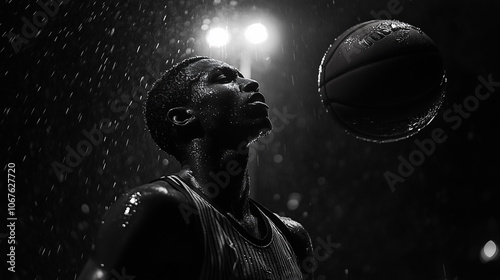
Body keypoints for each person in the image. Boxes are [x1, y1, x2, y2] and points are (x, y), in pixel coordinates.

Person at [77, 56, 314, 279]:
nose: (251, 82)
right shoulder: (156, 211)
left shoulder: (293, 236)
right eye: (223, 79)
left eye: (241, 76)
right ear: (183, 117)